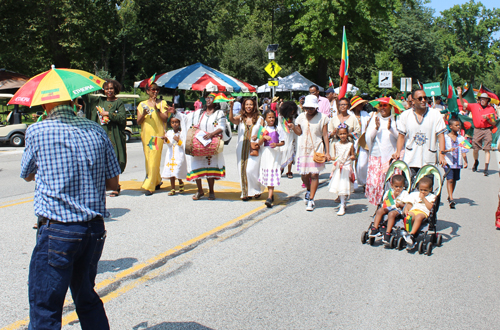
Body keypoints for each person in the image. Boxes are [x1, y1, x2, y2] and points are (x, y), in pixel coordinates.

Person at [20, 99, 121, 329]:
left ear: (46, 104)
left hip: (58, 228)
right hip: (93, 229)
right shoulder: (96, 129)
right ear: (73, 101)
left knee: (46, 305)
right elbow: (113, 182)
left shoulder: (37, 130)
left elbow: (27, 174)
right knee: (86, 297)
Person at [173, 93, 227, 200]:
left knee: (210, 167)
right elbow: (185, 118)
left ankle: (211, 191)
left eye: (211, 98)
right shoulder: (199, 113)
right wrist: (175, 112)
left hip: (211, 144)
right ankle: (200, 191)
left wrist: (211, 134)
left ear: (215, 101)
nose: (208, 100)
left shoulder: (219, 113)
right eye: (207, 98)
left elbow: (222, 127)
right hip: (199, 144)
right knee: (196, 166)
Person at [82, 79, 127, 197]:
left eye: (111, 88)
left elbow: (123, 118)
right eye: (106, 89)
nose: (109, 91)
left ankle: (116, 186)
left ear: (115, 89)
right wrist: (88, 85)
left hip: (114, 135)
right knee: (100, 160)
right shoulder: (98, 100)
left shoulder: (119, 103)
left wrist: (109, 114)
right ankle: (101, 186)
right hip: (100, 134)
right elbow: (85, 97)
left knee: (115, 159)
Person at [289, 95, 331, 211]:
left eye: (311, 108)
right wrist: (293, 127)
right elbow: (299, 132)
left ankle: (311, 199)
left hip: (316, 148)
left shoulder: (323, 118)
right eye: (307, 107)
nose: (309, 110)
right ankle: (308, 189)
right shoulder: (300, 117)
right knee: (304, 175)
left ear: (316, 107)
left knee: (314, 174)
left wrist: (328, 152)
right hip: (303, 148)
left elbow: (325, 135)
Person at [392, 89, 447, 178]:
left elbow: (441, 136)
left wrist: (441, 154)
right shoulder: (405, 116)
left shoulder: (435, 114)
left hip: (428, 159)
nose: (423, 100)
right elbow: (401, 136)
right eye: (420, 98)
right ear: (413, 101)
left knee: (426, 190)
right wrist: (398, 152)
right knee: (409, 188)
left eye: (425, 98)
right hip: (411, 159)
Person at [137, 82, 170, 195]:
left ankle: (150, 185)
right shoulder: (142, 105)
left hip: (157, 136)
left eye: (157, 90)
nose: (155, 92)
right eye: (152, 90)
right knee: (148, 159)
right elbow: (138, 122)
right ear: (147, 91)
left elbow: (165, 119)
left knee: (153, 158)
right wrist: (143, 114)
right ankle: (156, 180)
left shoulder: (162, 103)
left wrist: (156, 108)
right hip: (146, 135)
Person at [229, 98, 264, 200]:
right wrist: (231, 107)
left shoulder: (259, 118)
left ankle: (257, 189)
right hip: (241, 148)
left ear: (254, 106)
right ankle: (245, 192)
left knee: (251, 170)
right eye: (247, 104)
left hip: (254, 147)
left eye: (251, 104)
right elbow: (231, 119)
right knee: (242, 170)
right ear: (244, 106)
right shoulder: (241, 118)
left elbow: (263, 132)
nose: (249, 106)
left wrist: (258, 138)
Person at [365, 100, 399, 205]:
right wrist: (376, 128)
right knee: (376, 183)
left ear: (390, 107)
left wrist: (391, 129)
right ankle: (379, 205)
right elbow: (368, 138)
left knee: (391, 183)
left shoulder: (396, 119)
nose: (383, 108)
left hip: (391, 156)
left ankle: (390, 205)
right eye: (381, 106)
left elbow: (401, 138)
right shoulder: (375, 119)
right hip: (376, 155)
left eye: (385, 105)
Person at [458, 90, 497, 176]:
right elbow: (464, 104)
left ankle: (486, 168)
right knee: (475, 149)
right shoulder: (474, 106)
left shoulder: (491, 109)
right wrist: (460, 95)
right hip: (477, 130)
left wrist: (488, 119)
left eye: (485, 99)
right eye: (481, 98)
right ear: (479, 99)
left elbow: (494, 123)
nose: (483, 100)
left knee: (487, 149)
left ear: (487, 100)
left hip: (487, 130)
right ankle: (476, 161)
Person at [368, 175, 409, 243]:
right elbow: (385, 201)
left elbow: (406, 205)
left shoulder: (404, 193)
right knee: (380, 210)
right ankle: (375, 229)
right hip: (389, 207)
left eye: (400, 186)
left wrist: (400, 204)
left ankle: (388, 232)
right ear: (392, 185)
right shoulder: (389, 192)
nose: (398, 188)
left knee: (391, 214)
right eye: (396, 186)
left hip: (398, 210)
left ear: (403, 186)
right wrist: (394, 196)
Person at [258, 110, 285, 208]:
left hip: (275, 154)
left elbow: (283, 142)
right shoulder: (263, 129)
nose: (271, 119)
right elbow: (259, 143)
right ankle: (269, 194)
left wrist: (276, 144)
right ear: (265, 119)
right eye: (269, 117)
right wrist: (263, 137)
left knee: (272, 171)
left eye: (273, 117)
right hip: (266, 153)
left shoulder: (278, 129)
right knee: (267, 172)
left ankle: (269, 197)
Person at [328, 123, 355, 215]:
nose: (343, 136)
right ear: (338, 135)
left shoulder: (350, 145)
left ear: (347, 134)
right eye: (341, 134)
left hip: (346, 167)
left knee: (344, 185)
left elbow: (353, 155)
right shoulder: (336, 144)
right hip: (338, 168)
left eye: (344, 133)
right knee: (339, 185)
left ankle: (342, 205)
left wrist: (352, 157)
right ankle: (342, 202)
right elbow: (334, 157)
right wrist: (328, 158)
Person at [402, 177, 436, 248]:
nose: (423, 192)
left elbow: (431, 207)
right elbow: (410, 203)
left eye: (425, 190)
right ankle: (408, 232)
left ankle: (412, 235)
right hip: (414, 210)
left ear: (430, 189)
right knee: (409, 216)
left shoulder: (432, 197)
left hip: (423, 212)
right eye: (421, 190)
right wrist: (406, 208)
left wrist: (424, 198)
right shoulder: (415, 195)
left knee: (419, 217)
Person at [443, 118, 469, 208]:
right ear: (450, 126)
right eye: (456, 125)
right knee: (449, 179)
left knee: (454, 179)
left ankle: (450, 194)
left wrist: (466, 161)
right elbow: (441, 150)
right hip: (448, 162)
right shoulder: (445, 137)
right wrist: (448, 150)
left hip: (458, 162)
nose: (458, 127)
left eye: (459, 125)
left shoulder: (461, 138)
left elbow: (464, 150)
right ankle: (451, 198)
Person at [161, 117, 187, 195]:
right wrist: (166, 139)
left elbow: (183, 145)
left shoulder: (182, 133)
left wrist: (178, 141)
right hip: (171, 154)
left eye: (176, 122)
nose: (174, 124)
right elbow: (169, 144)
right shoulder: (169, 132)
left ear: (179, 123)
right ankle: (172, 188)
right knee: (171, 171)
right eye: (172, 122)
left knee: (177, 170)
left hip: (179, 154)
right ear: (170, 124)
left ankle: (180, 182)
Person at [349, 96, 370, 189]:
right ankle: (351, 182)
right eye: (359, 104)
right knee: (351, 163)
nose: (361, 105)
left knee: (363, 163)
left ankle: (364, 181)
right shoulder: (349, 115)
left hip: (363, 141)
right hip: (352, 141)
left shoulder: (365, 114)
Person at [279, 101, 299, 179]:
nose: (292, 112)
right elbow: (280, 126)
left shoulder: (295, 117)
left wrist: (293, 126)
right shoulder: (281, 117)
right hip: (284, 135)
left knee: (291, 151)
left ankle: (289, 171)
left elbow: (297, 126)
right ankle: (282, 167)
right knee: (283, 151)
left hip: (292, 136)